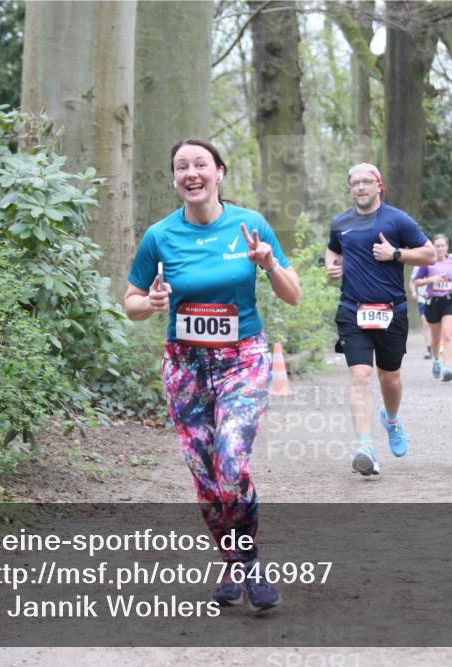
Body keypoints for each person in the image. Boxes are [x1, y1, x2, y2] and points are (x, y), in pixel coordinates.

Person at [124, 138, 301, 611]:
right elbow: (131, 302)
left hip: (242, 357)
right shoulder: (159, 236)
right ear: (175, 179)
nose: (191, 172)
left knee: (231, 461)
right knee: (205, 477)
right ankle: (230, 559)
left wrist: (268, 264)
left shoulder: (250, 225)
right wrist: (151, 303)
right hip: (184, 366)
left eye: (201, 164)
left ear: (219, 172)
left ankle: (249, 562)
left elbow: (293, 294)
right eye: (181, 166)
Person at [325, 163, 436, 476]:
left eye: (366, 182)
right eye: (355, 183)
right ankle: (365, 446)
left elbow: (429, 254)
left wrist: (396, 254)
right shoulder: (341, 222)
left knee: (390, 378)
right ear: (350, 189)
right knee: (360, 377)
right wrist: (333, 267)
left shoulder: (397, 219)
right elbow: (333, 250)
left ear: (378, 186)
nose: (360, 187)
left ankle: (391, 420)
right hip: (352, 310)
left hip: (391, 311)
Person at [412, 235, 452, 382]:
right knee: (435, 339)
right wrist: (431, 280)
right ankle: (436, 361)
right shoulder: (427, 262)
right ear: (433, 247)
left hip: (449, 301)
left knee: (447, 336)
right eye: (437, 246)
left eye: (442, 245)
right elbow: (416, 282)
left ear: (447, 247)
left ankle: (447, 367)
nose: (440, 248)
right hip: (432, 303)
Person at [409, 265, 433, 358]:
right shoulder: (417, 266)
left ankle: (439, 345)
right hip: (423, 298)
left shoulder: (437, 263)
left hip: (437, 298)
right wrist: (413, 291)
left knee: (437, 325)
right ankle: (429, 349)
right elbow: (412, 281)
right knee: (426, 323)